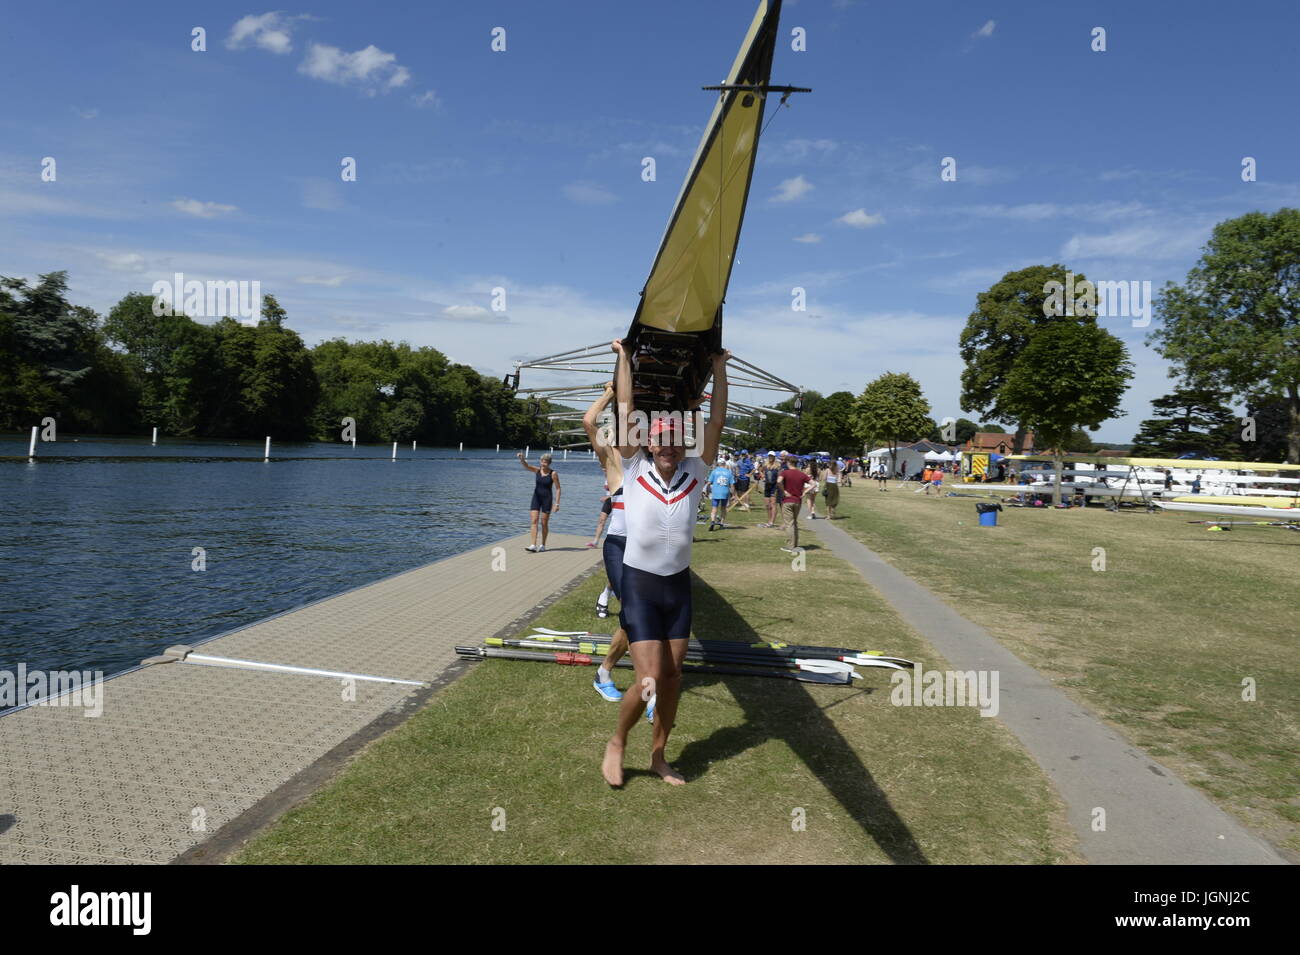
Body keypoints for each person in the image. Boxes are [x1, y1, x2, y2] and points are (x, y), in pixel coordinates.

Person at [601, 340, 728, 787]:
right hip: (640, 585)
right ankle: (617, 742)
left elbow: (716, 421)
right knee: (649, 680)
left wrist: (717, 369)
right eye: (661, 442)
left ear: (682, 445)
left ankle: (659, 755)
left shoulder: (696, 473)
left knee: (673, 678)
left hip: (677, 588)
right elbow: (623, 404)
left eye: (675, 441)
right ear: (649, 444)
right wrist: (623, 358)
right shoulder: (634, 470)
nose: (668, 448)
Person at [583, 382, 630, 701]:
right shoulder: (613, 462)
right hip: (618, 544)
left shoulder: (655, 462)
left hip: (649, 548)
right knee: (637, 612)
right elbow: (589, 422)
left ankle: (605, 672)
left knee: (639, 617)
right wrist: (610, 395)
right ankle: (607, 672)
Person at [518, 451, 560, 552]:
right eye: (541, 461)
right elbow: (526, 466)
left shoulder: (553, 473)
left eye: (545, 462)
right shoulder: (537, 470)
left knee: (544, 523)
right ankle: (533, 545)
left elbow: (558, 488)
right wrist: (522, 459)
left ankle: (543, 545)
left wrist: (557, 503)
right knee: (534, 521)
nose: (542, 464)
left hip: (547, 499)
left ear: (549, 463)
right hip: (536, 498)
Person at [778, 457, 810, 552]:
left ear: (789, 462)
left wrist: (784, 491)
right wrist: (804, 492)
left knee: (789, 524)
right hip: (797, 501)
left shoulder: (785, 472)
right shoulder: (802, 474)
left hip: (787, 501)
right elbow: (813, 484)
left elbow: (778, 481)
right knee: (794, 522)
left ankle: (790, 546)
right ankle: (795, 544)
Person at [707, 456, 735, 530]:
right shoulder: (728, 472)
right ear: (724, 464)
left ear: (718, 464)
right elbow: (732, 485)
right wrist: (733, 494)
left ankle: (713, 521)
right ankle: (722, 523)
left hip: (716, 492)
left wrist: (707, 491)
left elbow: (709, 483)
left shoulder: (714, 471)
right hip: (725, 492)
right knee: (723, 508)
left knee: (714, 508)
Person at [761, 451, 780, 527]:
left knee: (773, 504)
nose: (770, 457)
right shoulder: (765, 465)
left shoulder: (778, 466)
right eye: (769, 456)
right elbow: (760, 470)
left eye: (772, 456)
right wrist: (762, 475)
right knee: (767, 505)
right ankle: (769, 521)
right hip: (767, 486)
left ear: (774, 457)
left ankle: (772, 521)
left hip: (774, 486)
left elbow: (780, 476)